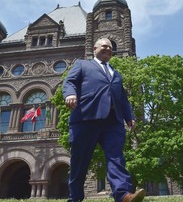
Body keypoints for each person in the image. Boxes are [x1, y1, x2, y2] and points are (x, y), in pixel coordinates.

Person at [62, 38, 145, 202]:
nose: (108, 48)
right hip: (86, 118)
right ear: (94, 48)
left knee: (116, 158)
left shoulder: (116, 73)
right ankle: (75, 198)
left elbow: (122, 98)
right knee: (79, 162)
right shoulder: (82, 64)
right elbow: (69, 81)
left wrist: (130, 117)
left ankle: (123, 195)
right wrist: (70, 94)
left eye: (110, 47)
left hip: (113, 122)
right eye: (104, 46)